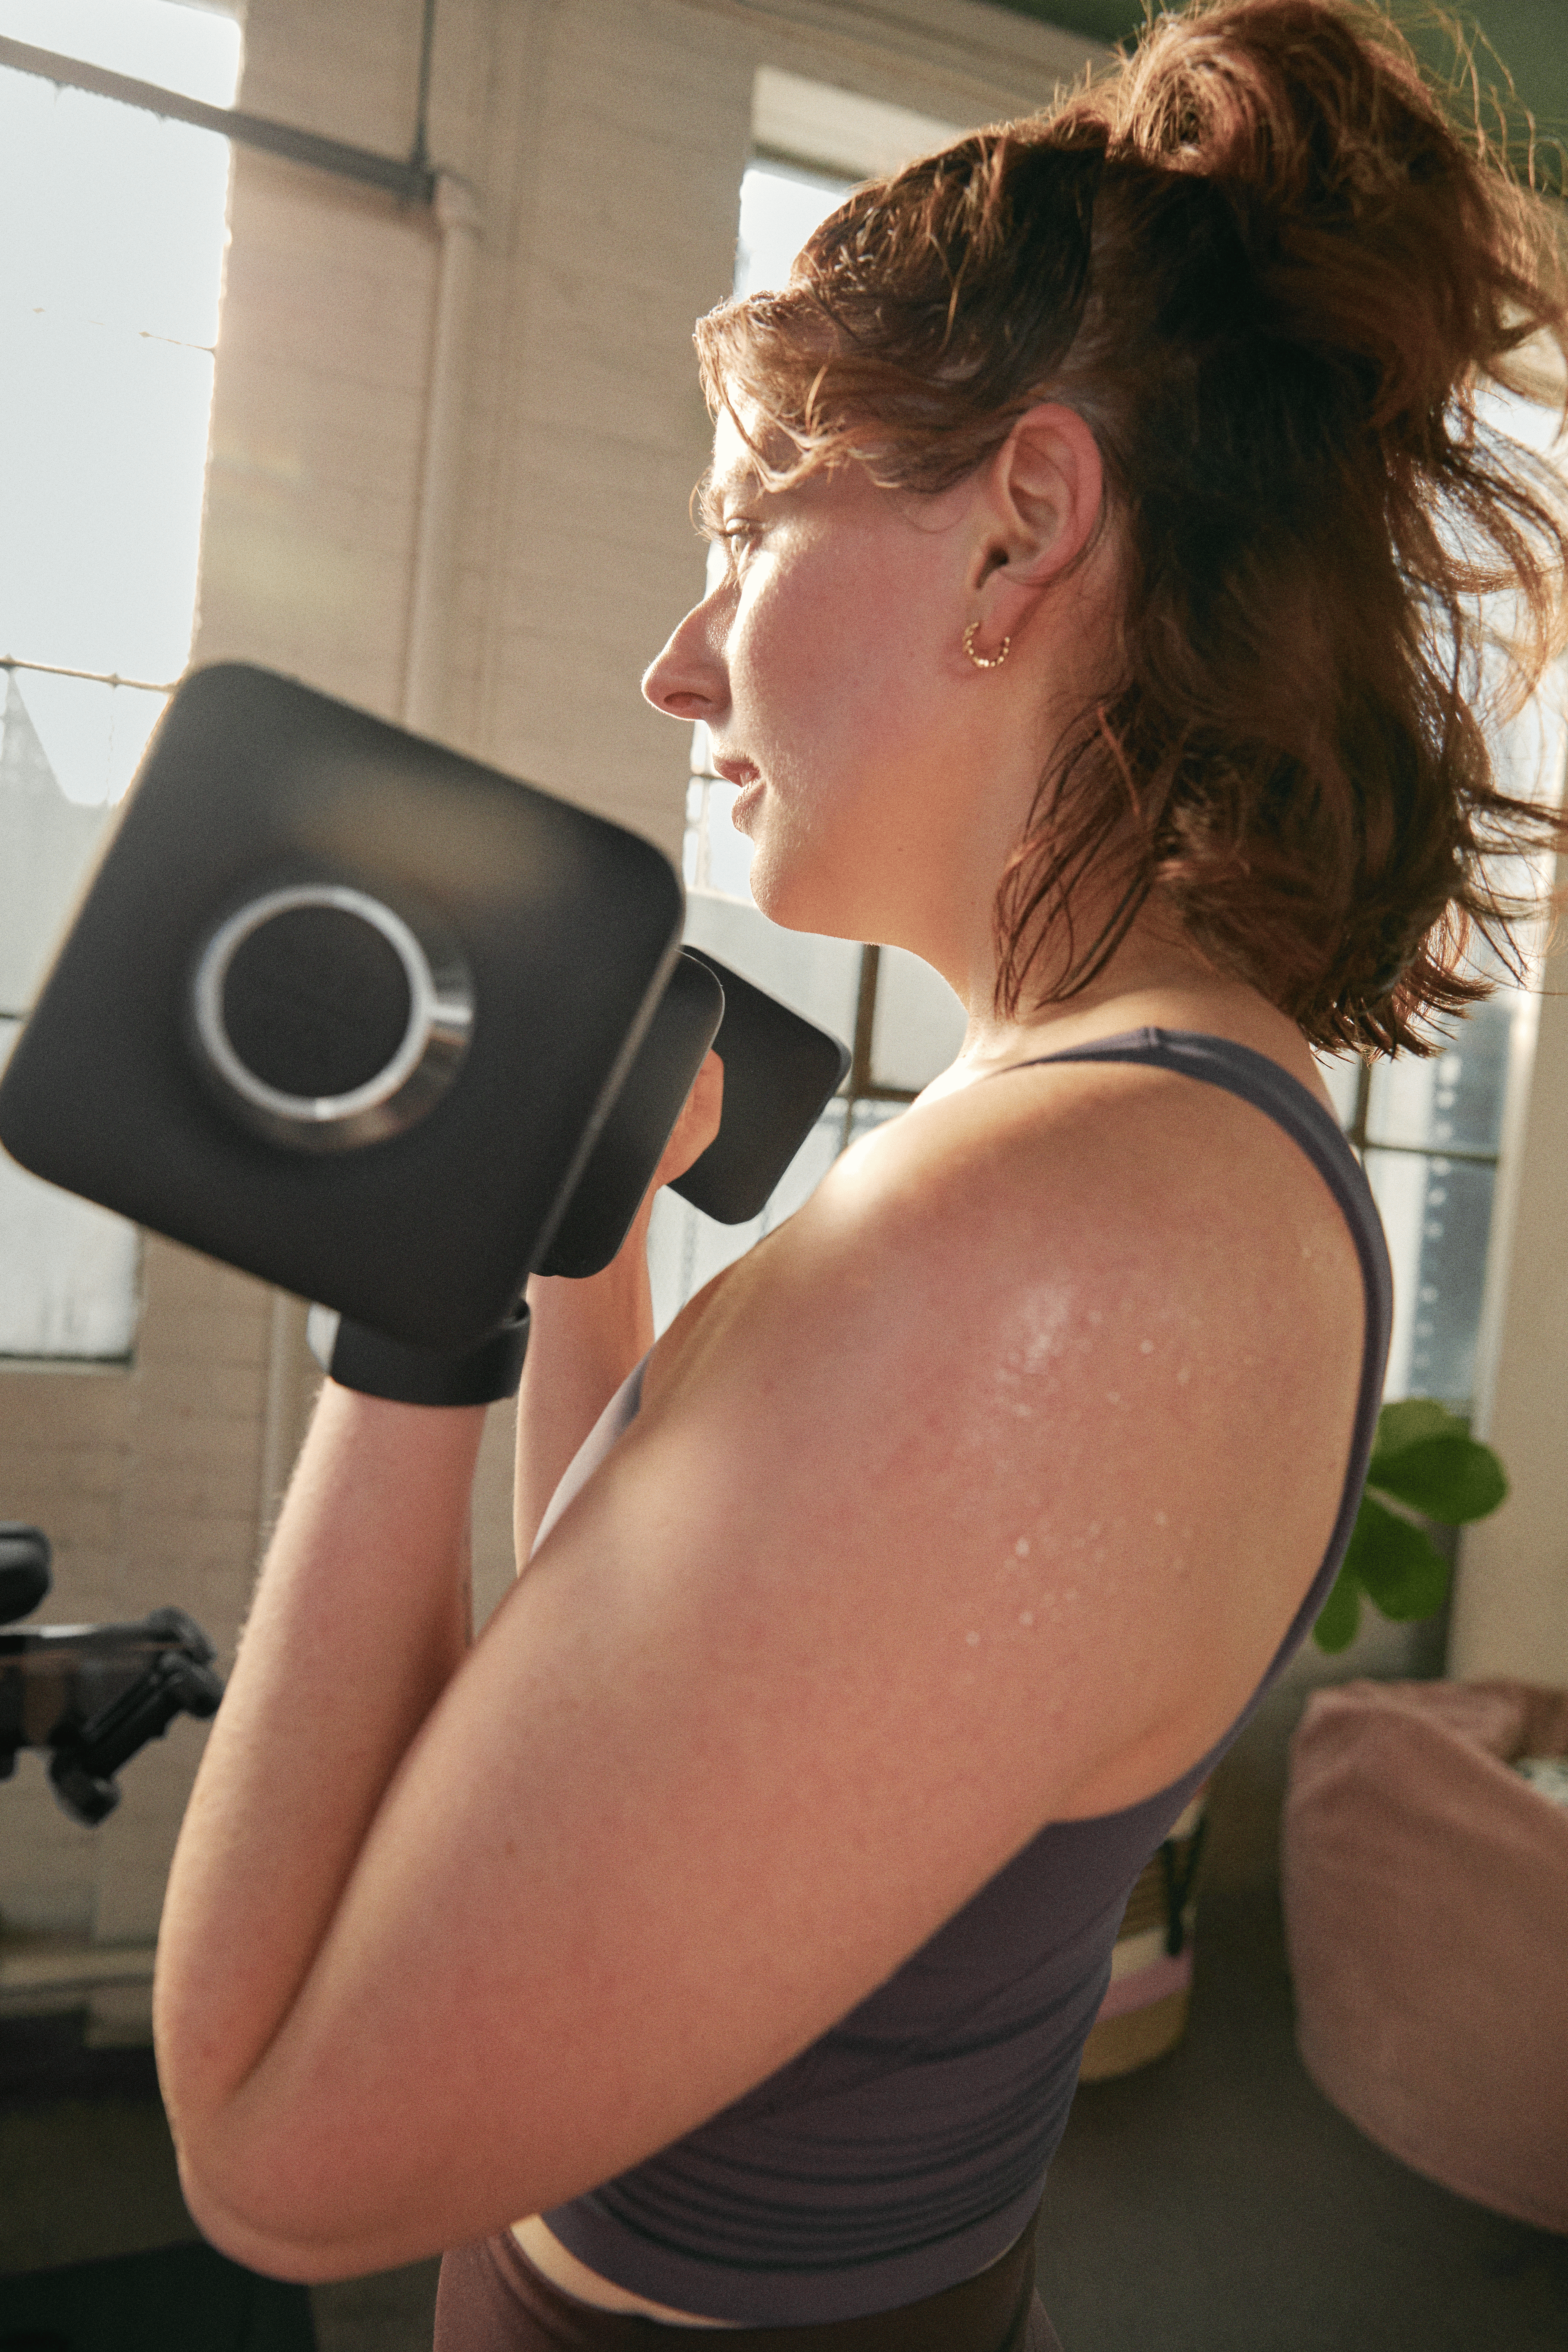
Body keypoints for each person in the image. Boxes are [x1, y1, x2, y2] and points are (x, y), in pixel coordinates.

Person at [152, 4, 1568, 2346]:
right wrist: (578, 1218)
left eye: (748, 526)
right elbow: (636, 1688)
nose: (678, 666)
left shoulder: (1068, 1244)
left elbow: (284, 2152)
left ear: (1024, 527)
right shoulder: (1093, 1138)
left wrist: (399, 1308)